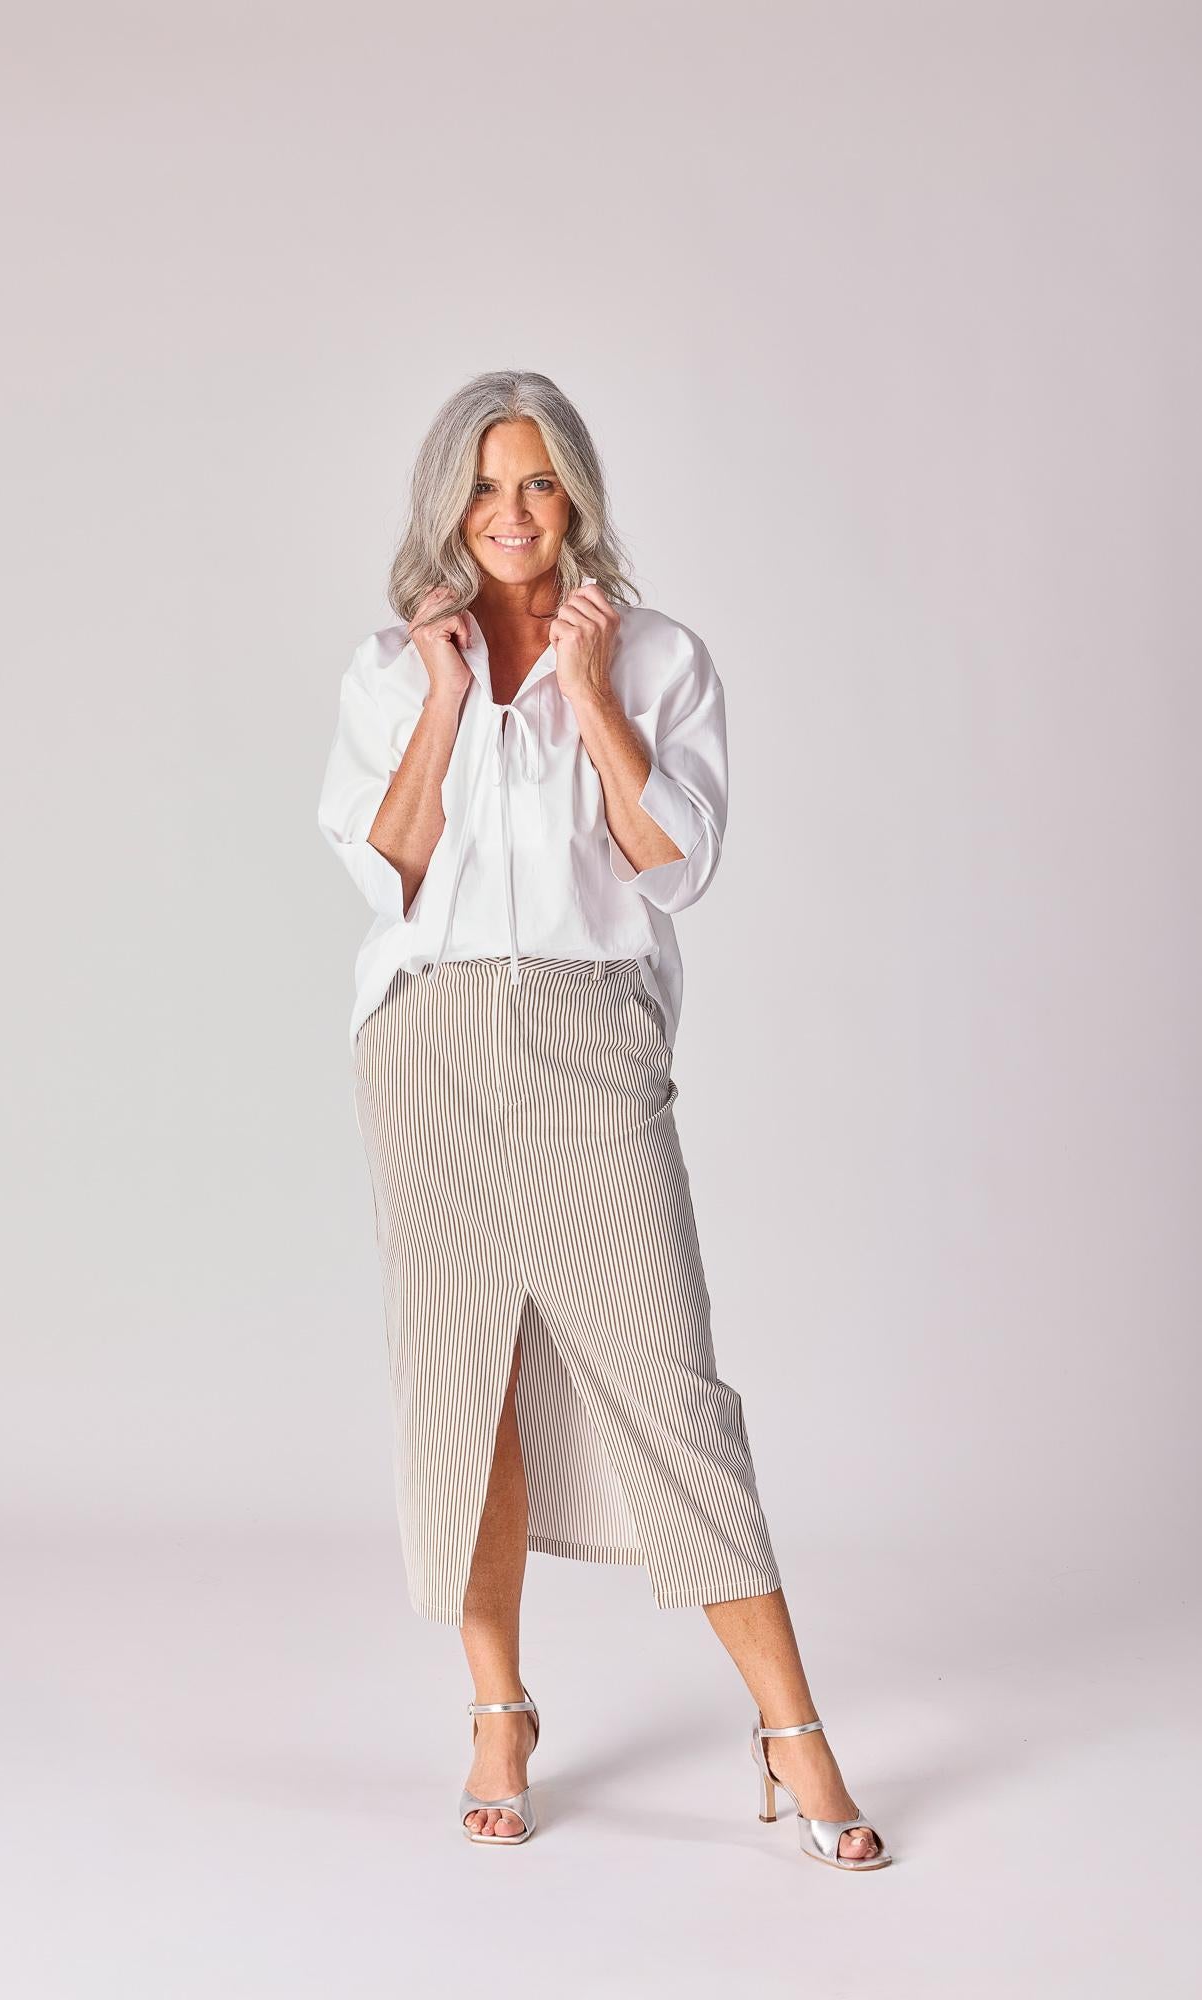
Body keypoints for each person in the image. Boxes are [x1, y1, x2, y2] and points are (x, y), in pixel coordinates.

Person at [317, 370, 889, 1871]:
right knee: (469, 1387)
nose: (510, 513)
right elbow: (387, 869)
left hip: (590, 1035)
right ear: (447, 505)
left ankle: (792, 1733)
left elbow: (674, 864)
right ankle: (498, 1714)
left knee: (668, 1386)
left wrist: (584, 691)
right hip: (431, 1040)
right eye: (483, 487)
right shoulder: (390, 668)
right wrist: (449, 697)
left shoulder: (658, 656)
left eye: (537, 483)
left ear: (574, 493)